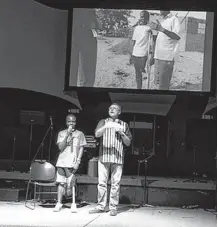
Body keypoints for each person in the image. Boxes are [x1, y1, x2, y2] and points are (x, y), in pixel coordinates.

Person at [89, 103, 132, 216]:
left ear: (119, 112)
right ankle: (100, 206)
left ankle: (113, 207)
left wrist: (121, 132)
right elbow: (97, 134)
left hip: (117, 158)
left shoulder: (124, 124)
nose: (112, 109)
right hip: (104, 157)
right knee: (101, 183)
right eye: (110, 108)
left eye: (115, 109)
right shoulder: (103, 122)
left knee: (115, 184)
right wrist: (106, 126)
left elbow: (128, 143)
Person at [53, 114, 87, 212]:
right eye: (69, 121)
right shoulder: (61, 133)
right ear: (66, 122)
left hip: (72, 162)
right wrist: (67, 134)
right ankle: (59, 203)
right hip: (61, 161)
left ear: (76, 122)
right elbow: (60, 147)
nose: (71, 123)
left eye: (73, 121)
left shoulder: (80, 134)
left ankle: (73, 203)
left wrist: (78, 161)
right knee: (61, 182)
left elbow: (81, 148)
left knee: (71, 183)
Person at [70, 9, 102, 87]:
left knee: (71, 71)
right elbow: (99, 25)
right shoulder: (89, 13)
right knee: (87, 74)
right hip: (86, 32)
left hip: (74, 31)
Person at [150, 11, 180, 90]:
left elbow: (177, 36)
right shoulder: (163, 20)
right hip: (158, 56)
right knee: (157, 83)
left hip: (167, 57)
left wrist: (162, 29)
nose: (160, 10)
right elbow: (160, 38)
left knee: (164, 85)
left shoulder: (174, 19)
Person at [129, 10, 153, 89]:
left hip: (143, 54)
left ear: (147, 18)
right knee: (137, 73)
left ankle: (143, 70)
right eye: (141, 17)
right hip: (136, 52)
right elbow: (133, 41)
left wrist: (152, 55)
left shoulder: (148, 29)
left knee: (141, 69)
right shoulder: (136, 28)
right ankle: (139, 88)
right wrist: (131, 55)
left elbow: (152, 41)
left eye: (144, 17)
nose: (142, 18)